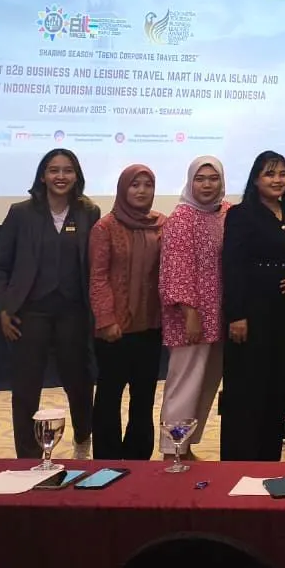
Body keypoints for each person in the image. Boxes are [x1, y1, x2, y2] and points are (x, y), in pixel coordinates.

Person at [0, 148, 100, 460]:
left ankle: (82, 439)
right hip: (29, 312)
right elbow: (0, 267)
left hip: (73, 312)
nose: (60, 176)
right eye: (54, 170)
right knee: (26, 388)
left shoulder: (89, 212)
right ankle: (27, 455)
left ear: (77, 176)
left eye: (67, 170)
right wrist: (3, 308)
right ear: (42, 176)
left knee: (79, 383)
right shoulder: (21, 213)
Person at [220, 151, 285, 462]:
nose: (278, 180)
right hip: (250, 313)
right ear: (255, 179)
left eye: (282, 173)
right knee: (246, 389)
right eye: (270, 173)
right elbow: (233, 266)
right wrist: (236, 315)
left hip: (281, 312)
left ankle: (268, 460)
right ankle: (240, 460)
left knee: (275, 385)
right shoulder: (241, 215)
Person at [88, 163, 163, 461]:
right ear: (123, 189)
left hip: (151, 326)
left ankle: (138, 459)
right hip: (115, 330)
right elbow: (98, 277)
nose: (142, 191)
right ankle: (107, 459)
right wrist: (106, 320)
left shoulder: (162, 225)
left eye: (148, 185)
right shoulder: (104, 227)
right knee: (109, 396)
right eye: (135, 185)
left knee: (143, 398)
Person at [158, 156, 228, 460]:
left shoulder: (226, 213)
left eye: (213, 178)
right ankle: (171, 449)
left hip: (219, 315)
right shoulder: (181, 218)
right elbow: (176, 271)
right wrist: (190, 314)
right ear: (190, 182)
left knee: (206, 384)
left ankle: (185, 446)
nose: (207, 185)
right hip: (190, 317)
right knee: (184, 384)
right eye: (200, 179)